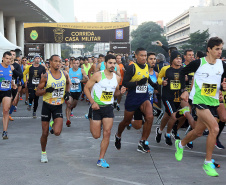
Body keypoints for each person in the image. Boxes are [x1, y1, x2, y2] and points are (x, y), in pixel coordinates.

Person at [175, 37, 226, 177]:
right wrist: (183, 90)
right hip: (199, 101)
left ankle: (180, 145)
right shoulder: (198, 63)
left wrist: (223, 87)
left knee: (197, 132)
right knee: (214, 128)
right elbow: (181, 72)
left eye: (221, 49)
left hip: (214, 102)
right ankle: (208, 162)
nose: (219, 51)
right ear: (209, 49)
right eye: (217, 49)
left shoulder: (222, 65)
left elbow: (223, 81)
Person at [84, 54, 126, 168]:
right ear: (105, 64)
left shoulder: (117, 78)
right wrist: (93, 102)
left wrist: (120, 92)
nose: (113, 65)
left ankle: (101, 159)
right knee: (96, 135)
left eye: (114, 63)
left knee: (107, 133)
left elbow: (115, 93)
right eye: (110, 63)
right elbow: (86, 88)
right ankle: (91, 117)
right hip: (96, 108)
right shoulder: (98, 75)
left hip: (108, 108)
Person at [115, 48, 158, 153]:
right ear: (136, 56)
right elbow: (125, 83)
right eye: (141, 55)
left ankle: (143, 142)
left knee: (150, 116)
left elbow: (146, 78)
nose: (144, 57)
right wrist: (138, 83)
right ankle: (118, 135)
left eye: (145, 55)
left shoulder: (147, 66)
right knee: (127, 122)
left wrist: (155, 85)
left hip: (144, 97)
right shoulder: (132, 68)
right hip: (133, 98)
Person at [36, 54, 70, 163]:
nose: (58, 63)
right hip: (47, 106)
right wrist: (46, 90)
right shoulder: (45, 76)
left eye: (59, 61)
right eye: (55, 61)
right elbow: (37, 92)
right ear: (50, 62)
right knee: (45, 133)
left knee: (57, 132)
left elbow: (68, 83)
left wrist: (67, 93)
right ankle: (43, 153)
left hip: (58, 106)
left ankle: (53, 124)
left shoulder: (64, 74)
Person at [155, 51, 194, 146]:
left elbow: (191, 77)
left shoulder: (184, 69)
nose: (179, 60)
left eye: (180, 59)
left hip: (179, 97)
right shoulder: (166, 69)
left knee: (170, 115)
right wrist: (162, 82)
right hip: (168, 97)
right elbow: (159, 78)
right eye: (177, 59)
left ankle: (160, 131)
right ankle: (168, 134)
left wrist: (187, 79)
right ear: (172, 60)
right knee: (174, 116)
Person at [65, 58, 88, 127]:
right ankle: (68, 120)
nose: (76, 65)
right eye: (74, 63)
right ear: (72, 64)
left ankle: (70, 110)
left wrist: (79, 81)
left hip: (77, 91)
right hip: (70, 90)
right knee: (69, 104)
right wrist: (69, 81)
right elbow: (64, 79)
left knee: (73, 105)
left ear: (79, 64)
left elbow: (86, 79)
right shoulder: (68, 70)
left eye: (77, 63)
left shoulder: (81, 70)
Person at [0, 52, 15, 139]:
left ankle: (5, 132)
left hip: (7, 91)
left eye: (10, 59)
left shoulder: (11, 68)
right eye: (7, 58)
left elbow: (9, 78)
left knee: (6, 111)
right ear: (3, 58)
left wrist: (13, 83)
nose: (8, 60)